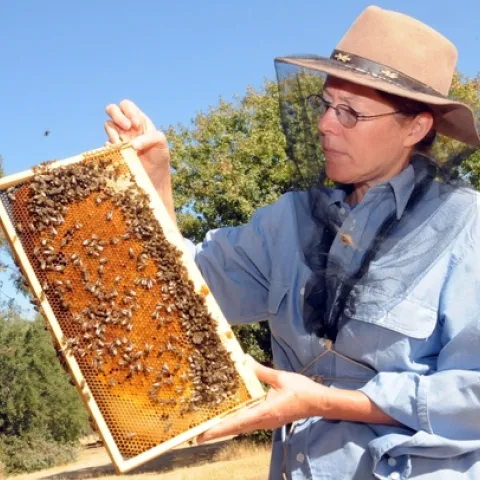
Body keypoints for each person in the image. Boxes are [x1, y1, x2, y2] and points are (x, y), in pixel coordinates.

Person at [104, 6, 480, 479]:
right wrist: (155, 184)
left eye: (351, 112)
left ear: (416, 127)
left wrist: (325, 402)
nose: (326, 124)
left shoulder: (469, 229)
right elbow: (186, 298)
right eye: (326, 104)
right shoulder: (287, 221)